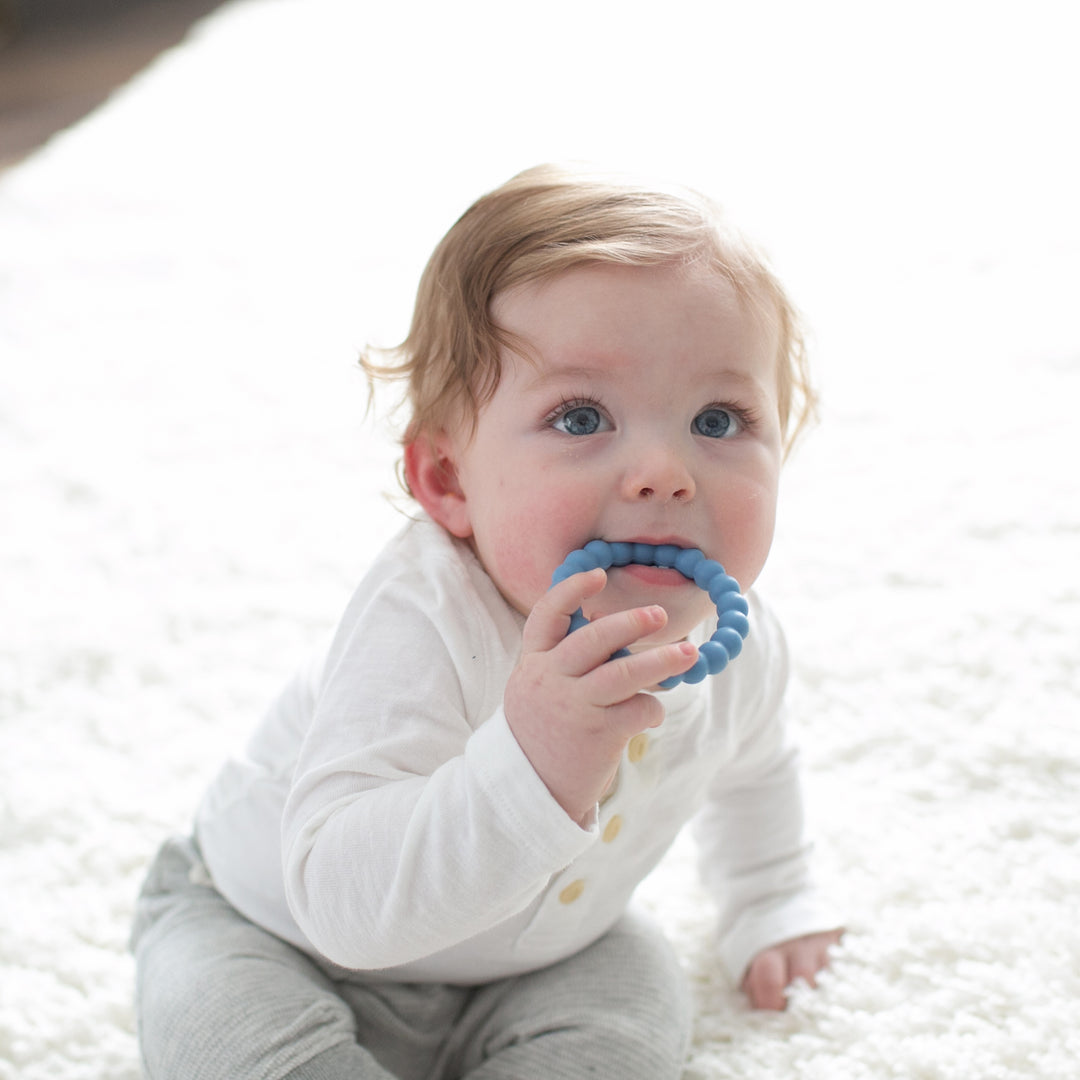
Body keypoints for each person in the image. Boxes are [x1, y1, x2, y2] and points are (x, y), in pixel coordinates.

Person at [131, 163, 843, 1080]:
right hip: (276, 930)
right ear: (449, 482)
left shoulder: (734, 644)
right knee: (233, 1042)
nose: (665, 471)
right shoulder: (419, 624)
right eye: (582, 416)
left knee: (639, 997)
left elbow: (754, 769)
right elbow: (339, 903)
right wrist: (534, 760)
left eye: (720, 417)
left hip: (541, 956)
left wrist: (772, 897)